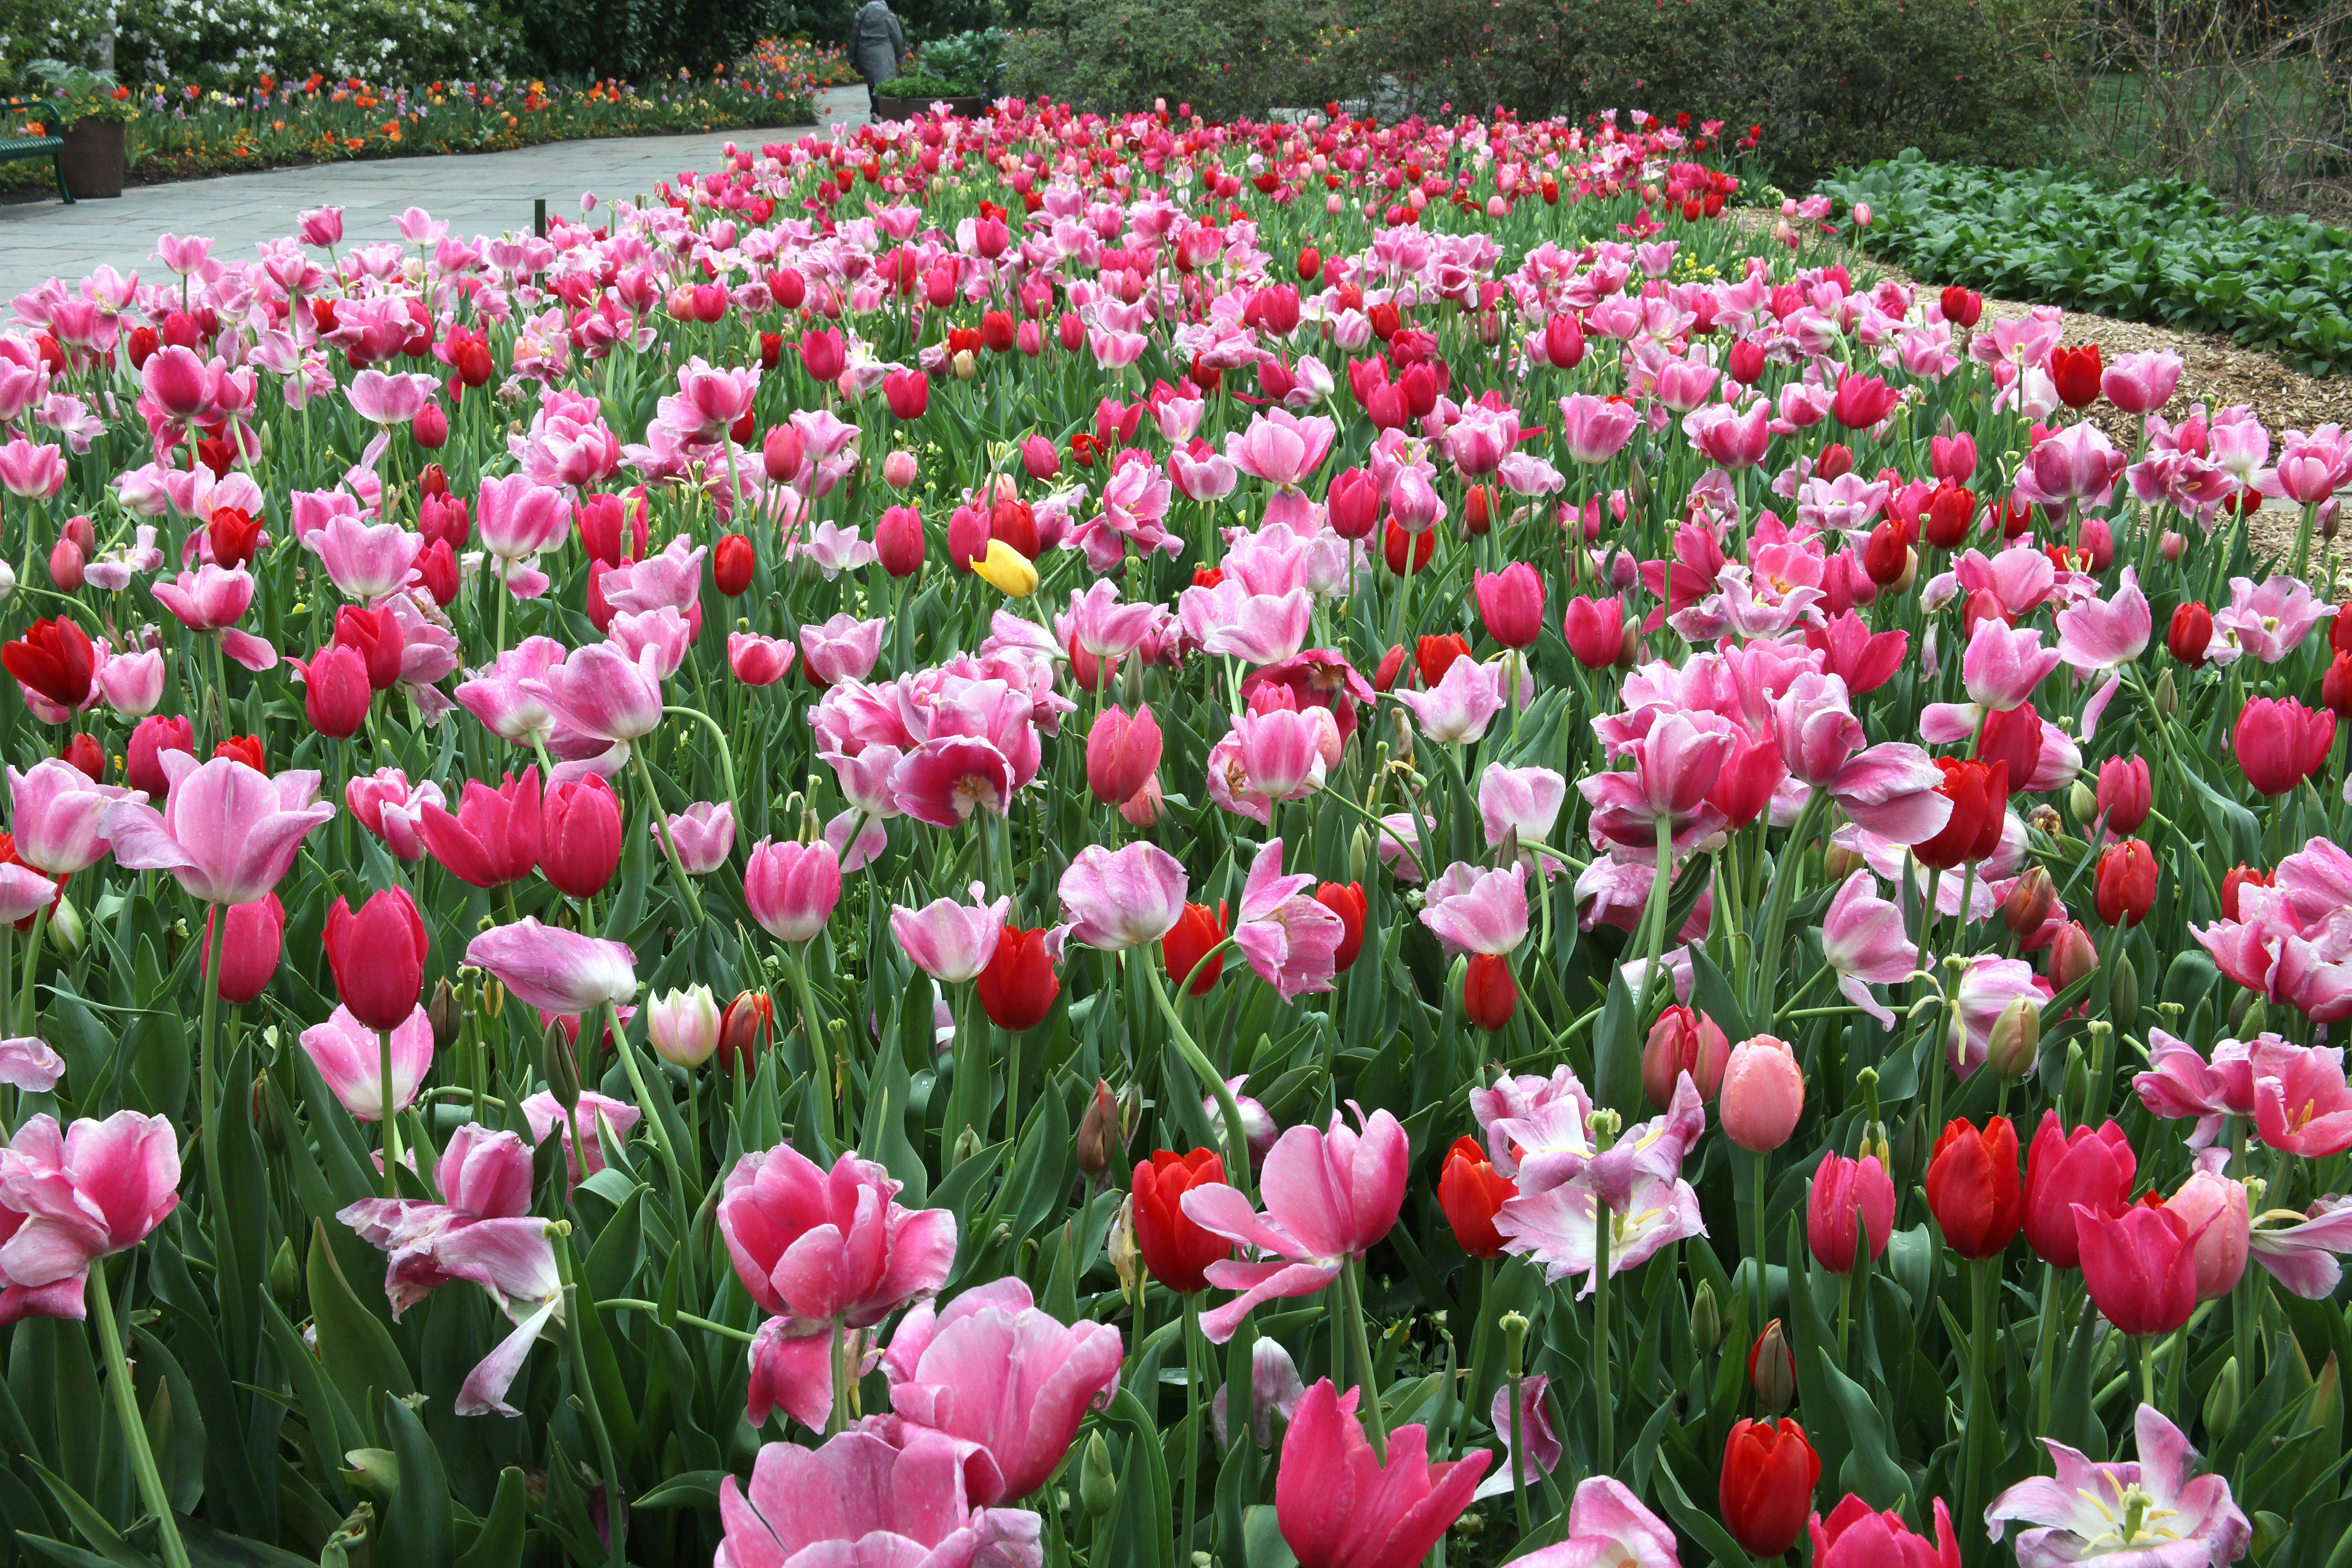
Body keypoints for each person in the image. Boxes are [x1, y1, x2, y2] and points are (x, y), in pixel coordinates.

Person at [851, 0, 908, 114]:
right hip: (885, 53)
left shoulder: (860, 15)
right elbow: (897, 37)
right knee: (887, 82)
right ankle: (886, 110)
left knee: (872, 82)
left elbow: (853, 38)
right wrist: (900, 57)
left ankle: (876, 110)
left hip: (866, 52)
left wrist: (852, 58)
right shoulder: (888, 16)